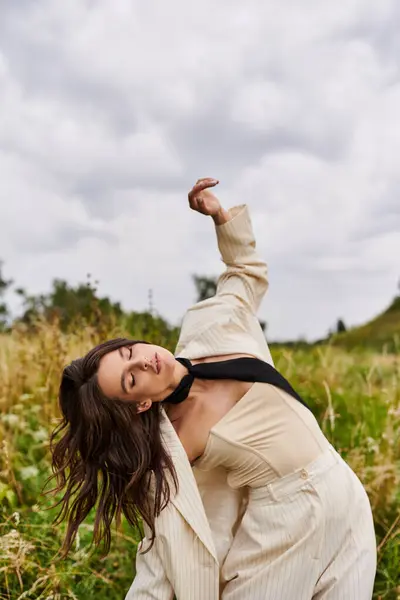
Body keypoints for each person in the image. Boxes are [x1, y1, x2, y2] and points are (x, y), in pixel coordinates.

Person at [51, 178, 377, 600]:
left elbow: (243, 275)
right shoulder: (172, 446)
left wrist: (222, 220)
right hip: (281, 529)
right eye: (132, 379)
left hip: (343, 492)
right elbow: (163, 544)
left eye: (131, 351)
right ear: (139, 404)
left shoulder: (210, 328)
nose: (144, 360)